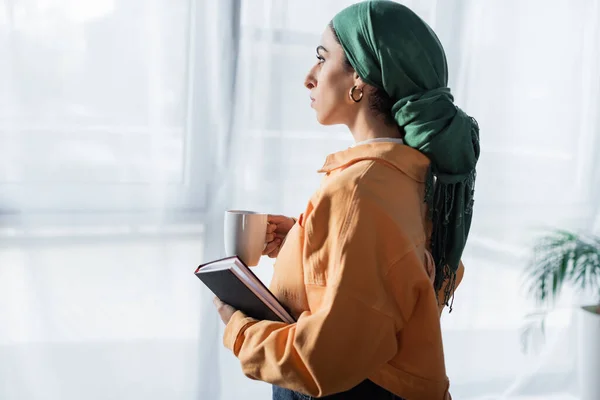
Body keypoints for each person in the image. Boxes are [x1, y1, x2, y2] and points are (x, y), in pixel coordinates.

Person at [213, 1, 480, 399]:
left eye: (322, 59)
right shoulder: (417, 177)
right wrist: (305, 245)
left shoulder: (358, 190)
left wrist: (239, 328)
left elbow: (323, 359)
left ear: (361, 79)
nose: (309, 77)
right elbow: (398, 286)